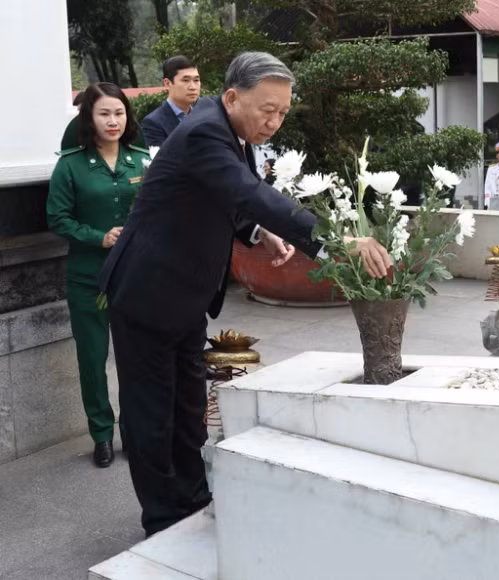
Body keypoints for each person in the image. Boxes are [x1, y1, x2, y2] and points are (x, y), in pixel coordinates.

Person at [98, 52, 391, 537]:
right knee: (153, 415)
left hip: (185, 295)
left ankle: (193, 497)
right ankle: (164, 518)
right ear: (233, 97)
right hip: (148, 292)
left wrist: (257, 232)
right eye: (267, 110)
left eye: (283, 112)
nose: (274, 122)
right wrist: (338, 241)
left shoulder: (230, 130)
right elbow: (250, 193)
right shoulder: (204, 132)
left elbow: (225, 197)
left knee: (188, 409)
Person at [47, 82, 150, 468]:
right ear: (89, 118)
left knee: (135, 358)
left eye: (119, 113)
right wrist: (98, 237)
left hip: (133, 276)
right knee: (92, 360)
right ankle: (102, 435)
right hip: (88, 277)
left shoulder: (141, 160)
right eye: (104, 113)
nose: (113, 121)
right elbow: (57, 219)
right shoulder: (70, 165)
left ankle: (133, 431)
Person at [140, 56, 202, 147]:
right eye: (186, 80)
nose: (193, 87)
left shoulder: (204, 116)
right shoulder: (154, 122)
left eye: (196, 80)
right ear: (167, 83)